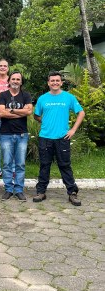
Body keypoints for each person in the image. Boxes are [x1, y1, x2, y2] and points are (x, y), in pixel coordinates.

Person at [33, 71, 85, 206]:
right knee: (45, 165)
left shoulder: (69, 97)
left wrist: (73, 130)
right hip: (45, 137)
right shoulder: (42, 98)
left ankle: (72, 193)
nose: (55, 83)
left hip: (62, 138)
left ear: (61, 82)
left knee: (65, 165)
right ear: (48, 83)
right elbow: (36, 115)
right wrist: (45, 122)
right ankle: (41, 192)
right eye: (52, 81)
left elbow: (81, 112)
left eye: (57, 80)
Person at [0, 72, 33, 201]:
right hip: (6, 134)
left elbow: (29, 111)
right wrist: (20, 112)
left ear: (21, 82)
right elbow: (1, 112)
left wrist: (11, 110)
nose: (16, 81)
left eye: (18, 79)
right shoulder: (3, 95)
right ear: (9, 81)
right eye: (13, 79)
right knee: (7, 163)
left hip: (21, 134)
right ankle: (8, 189)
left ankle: (18, 190)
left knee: (20, 164)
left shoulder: (26, 95)